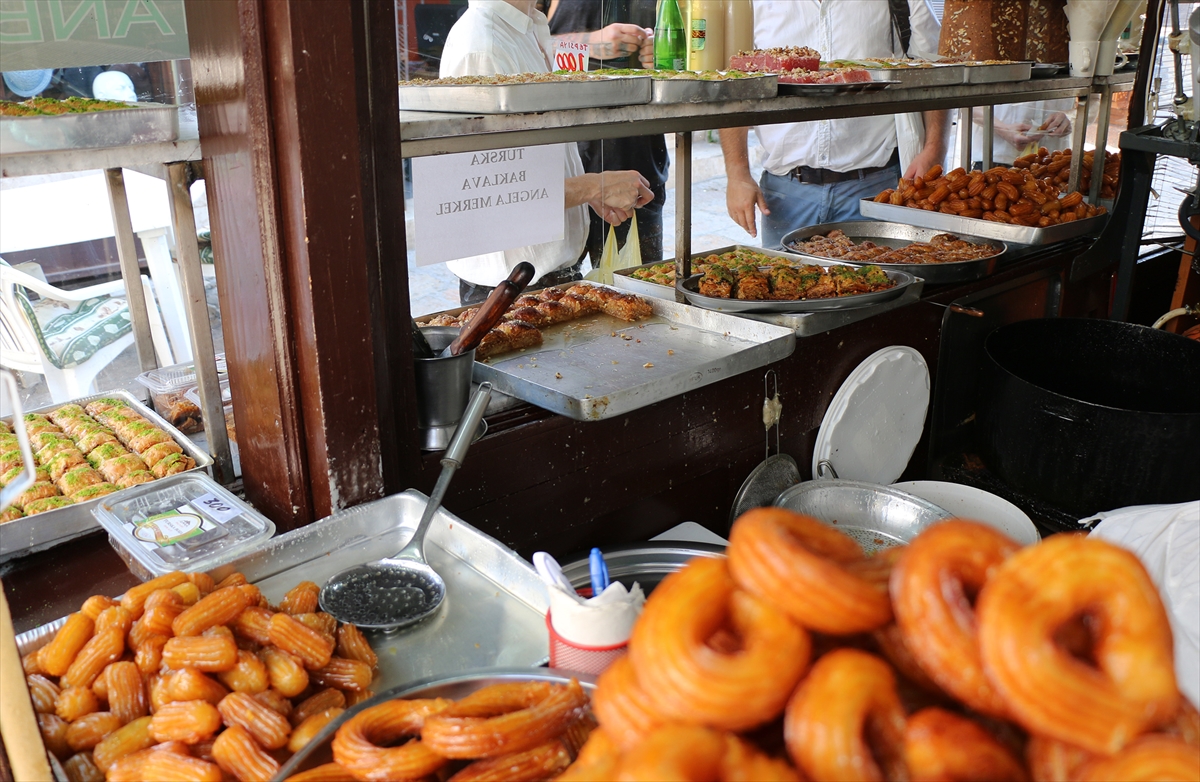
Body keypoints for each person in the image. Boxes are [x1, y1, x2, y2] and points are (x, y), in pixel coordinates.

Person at [440, 0, 655, 304]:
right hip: (509, 291)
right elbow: (490, 199)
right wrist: (593, 186)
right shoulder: (484, 46)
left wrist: (588, 192)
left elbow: (527, 164)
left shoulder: (525, 28)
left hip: (547, 280)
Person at [719, 0, 951, 248]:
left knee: (880, 281)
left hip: (876, 188)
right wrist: (737, 173)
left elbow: (936, 70)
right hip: (786, 193)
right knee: (787, 283)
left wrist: (934, 149)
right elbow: (733, 83)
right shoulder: (753, 4)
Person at [548, 0, 670, 266]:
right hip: (564, 177)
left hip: (638, 175)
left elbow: (697, 50)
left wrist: (665, 54)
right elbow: (520, 48)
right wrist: (588, 44)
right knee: (553, 299)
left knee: (635, 297)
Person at [971, 99, 1074, 168]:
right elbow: (968, 100)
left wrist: (1071, 116)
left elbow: (1088, 101)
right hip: (995, 157)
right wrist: (1003, 129)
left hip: (1053, 163)